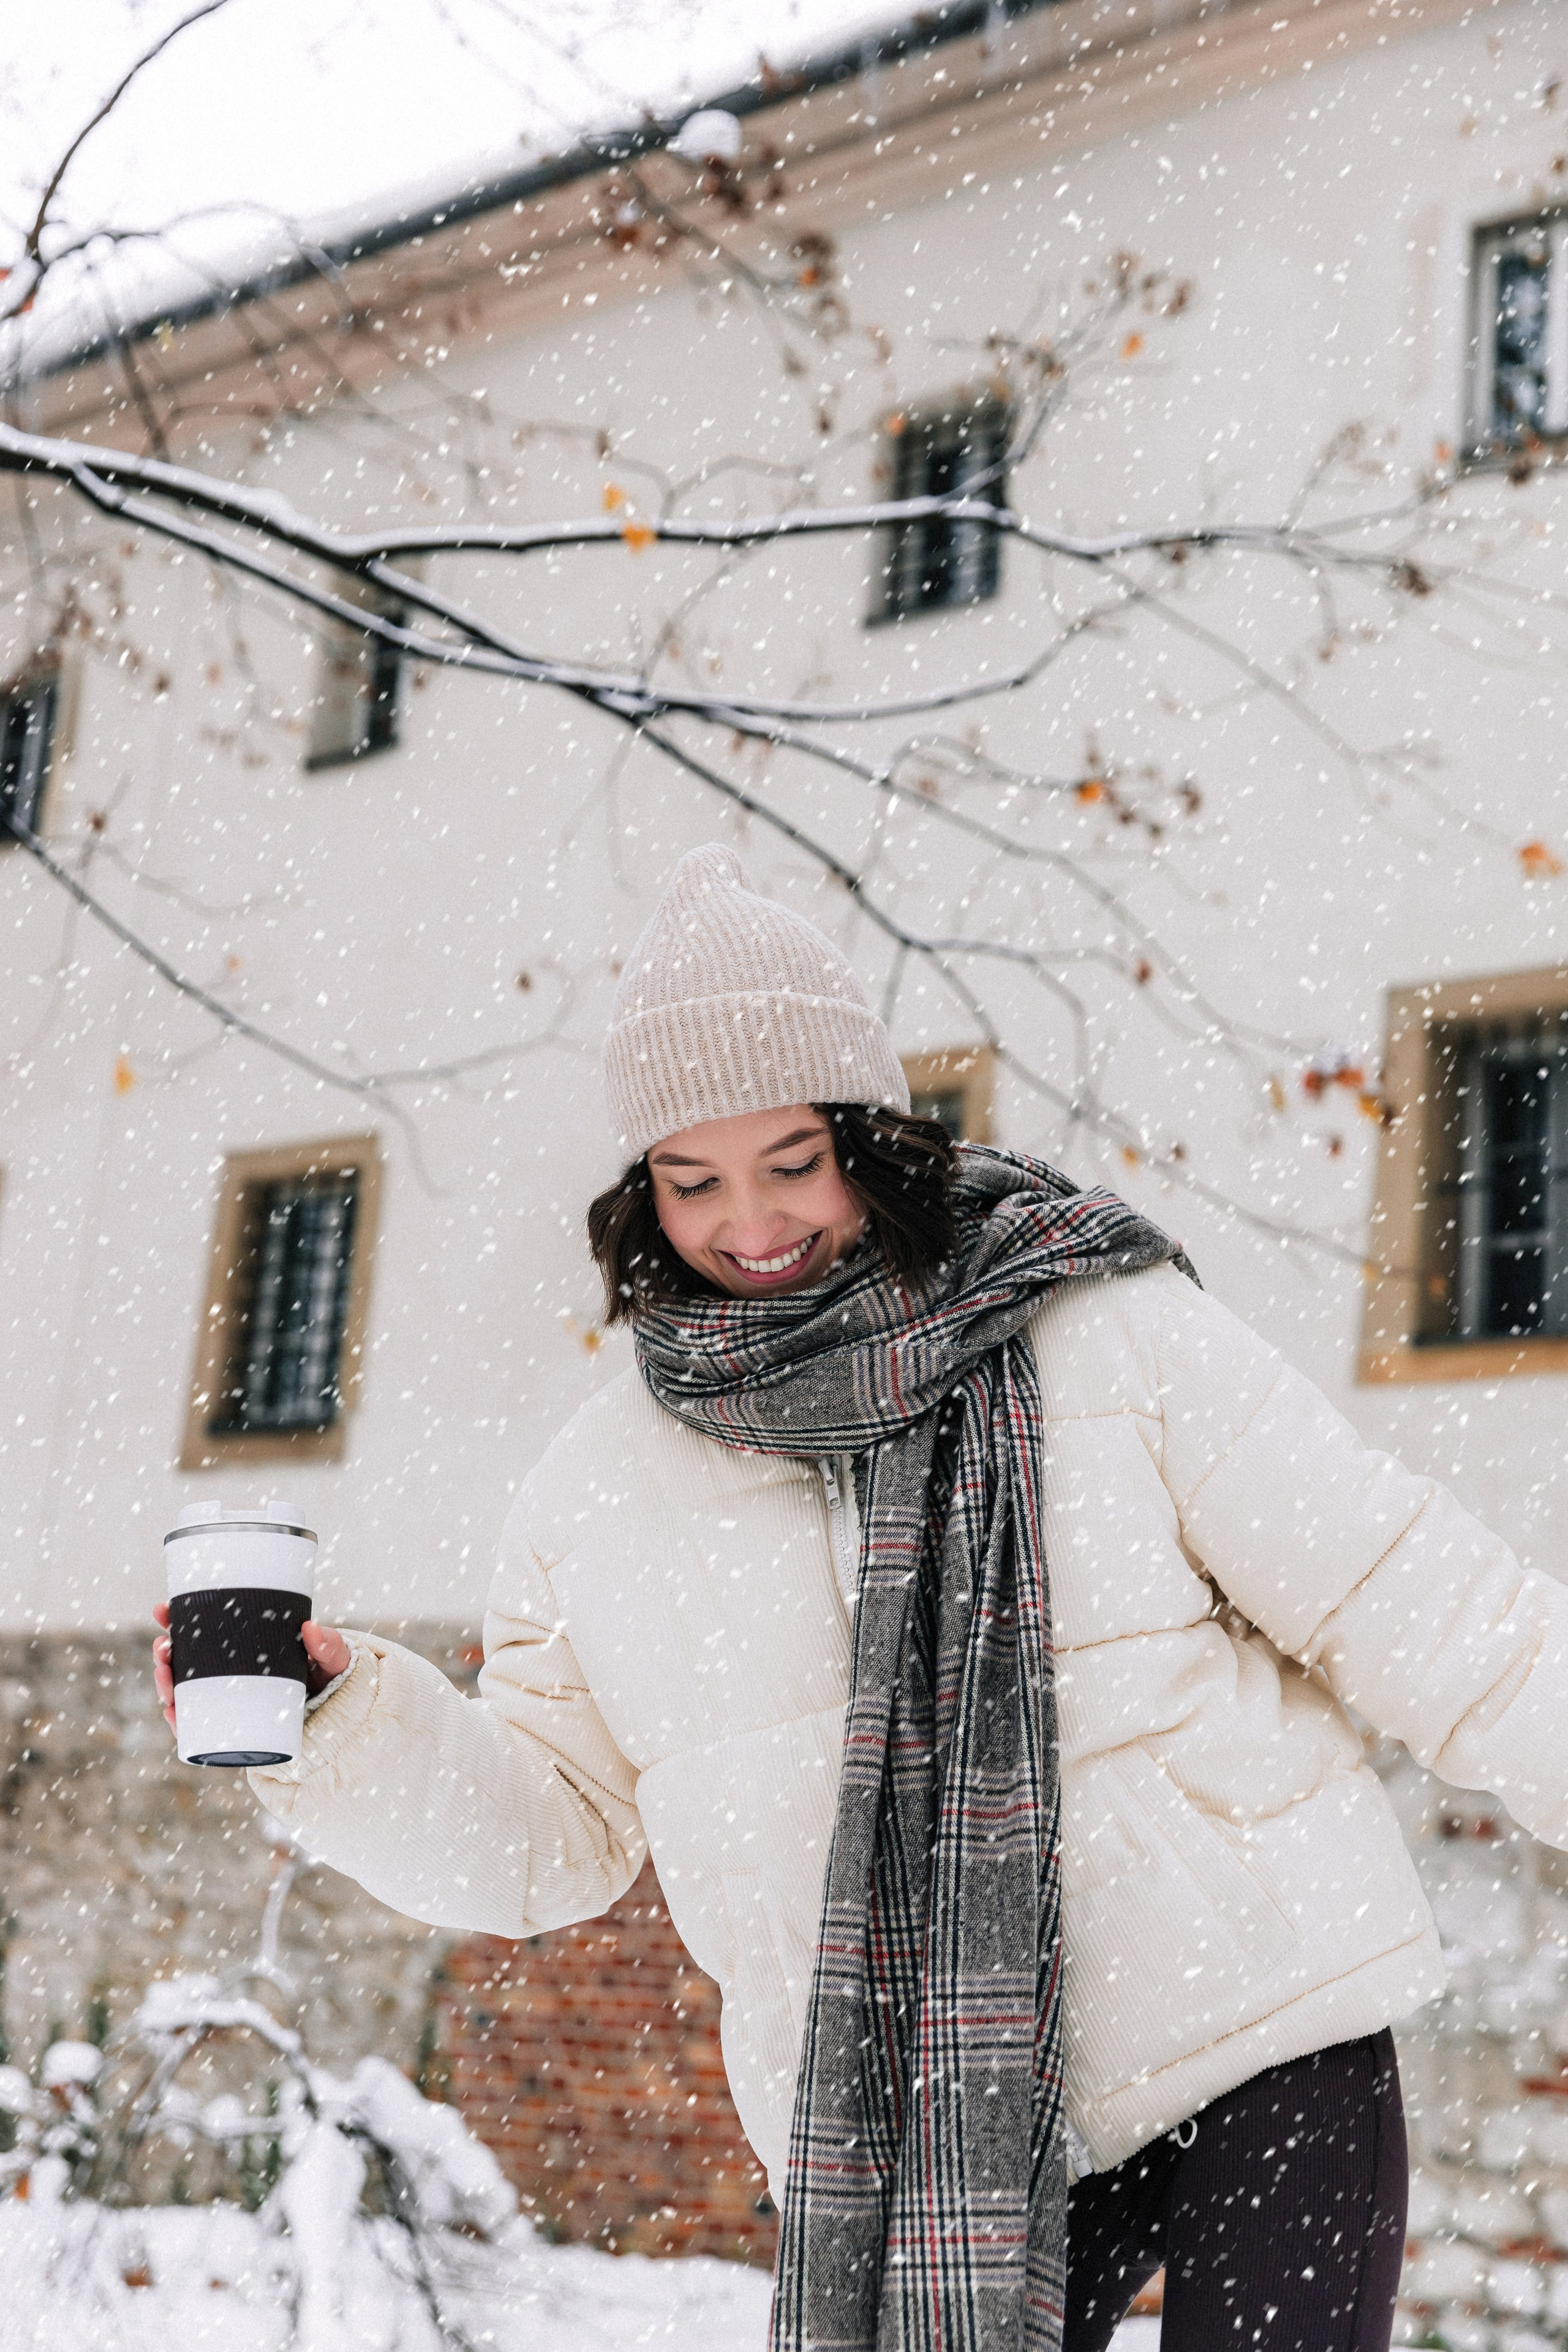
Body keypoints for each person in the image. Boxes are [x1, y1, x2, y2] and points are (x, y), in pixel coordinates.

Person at [153, 843, 1568, 2352]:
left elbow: (1405, 1593)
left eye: (789, 1164)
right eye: (692, 1182)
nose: (748, 1224)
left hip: (1258, 2031)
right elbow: (550, 1833)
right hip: (918, 2144)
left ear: (869, 1141)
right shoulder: (599, 1488)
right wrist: (342, 1721)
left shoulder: (1091, 1326)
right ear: (642, 1195)